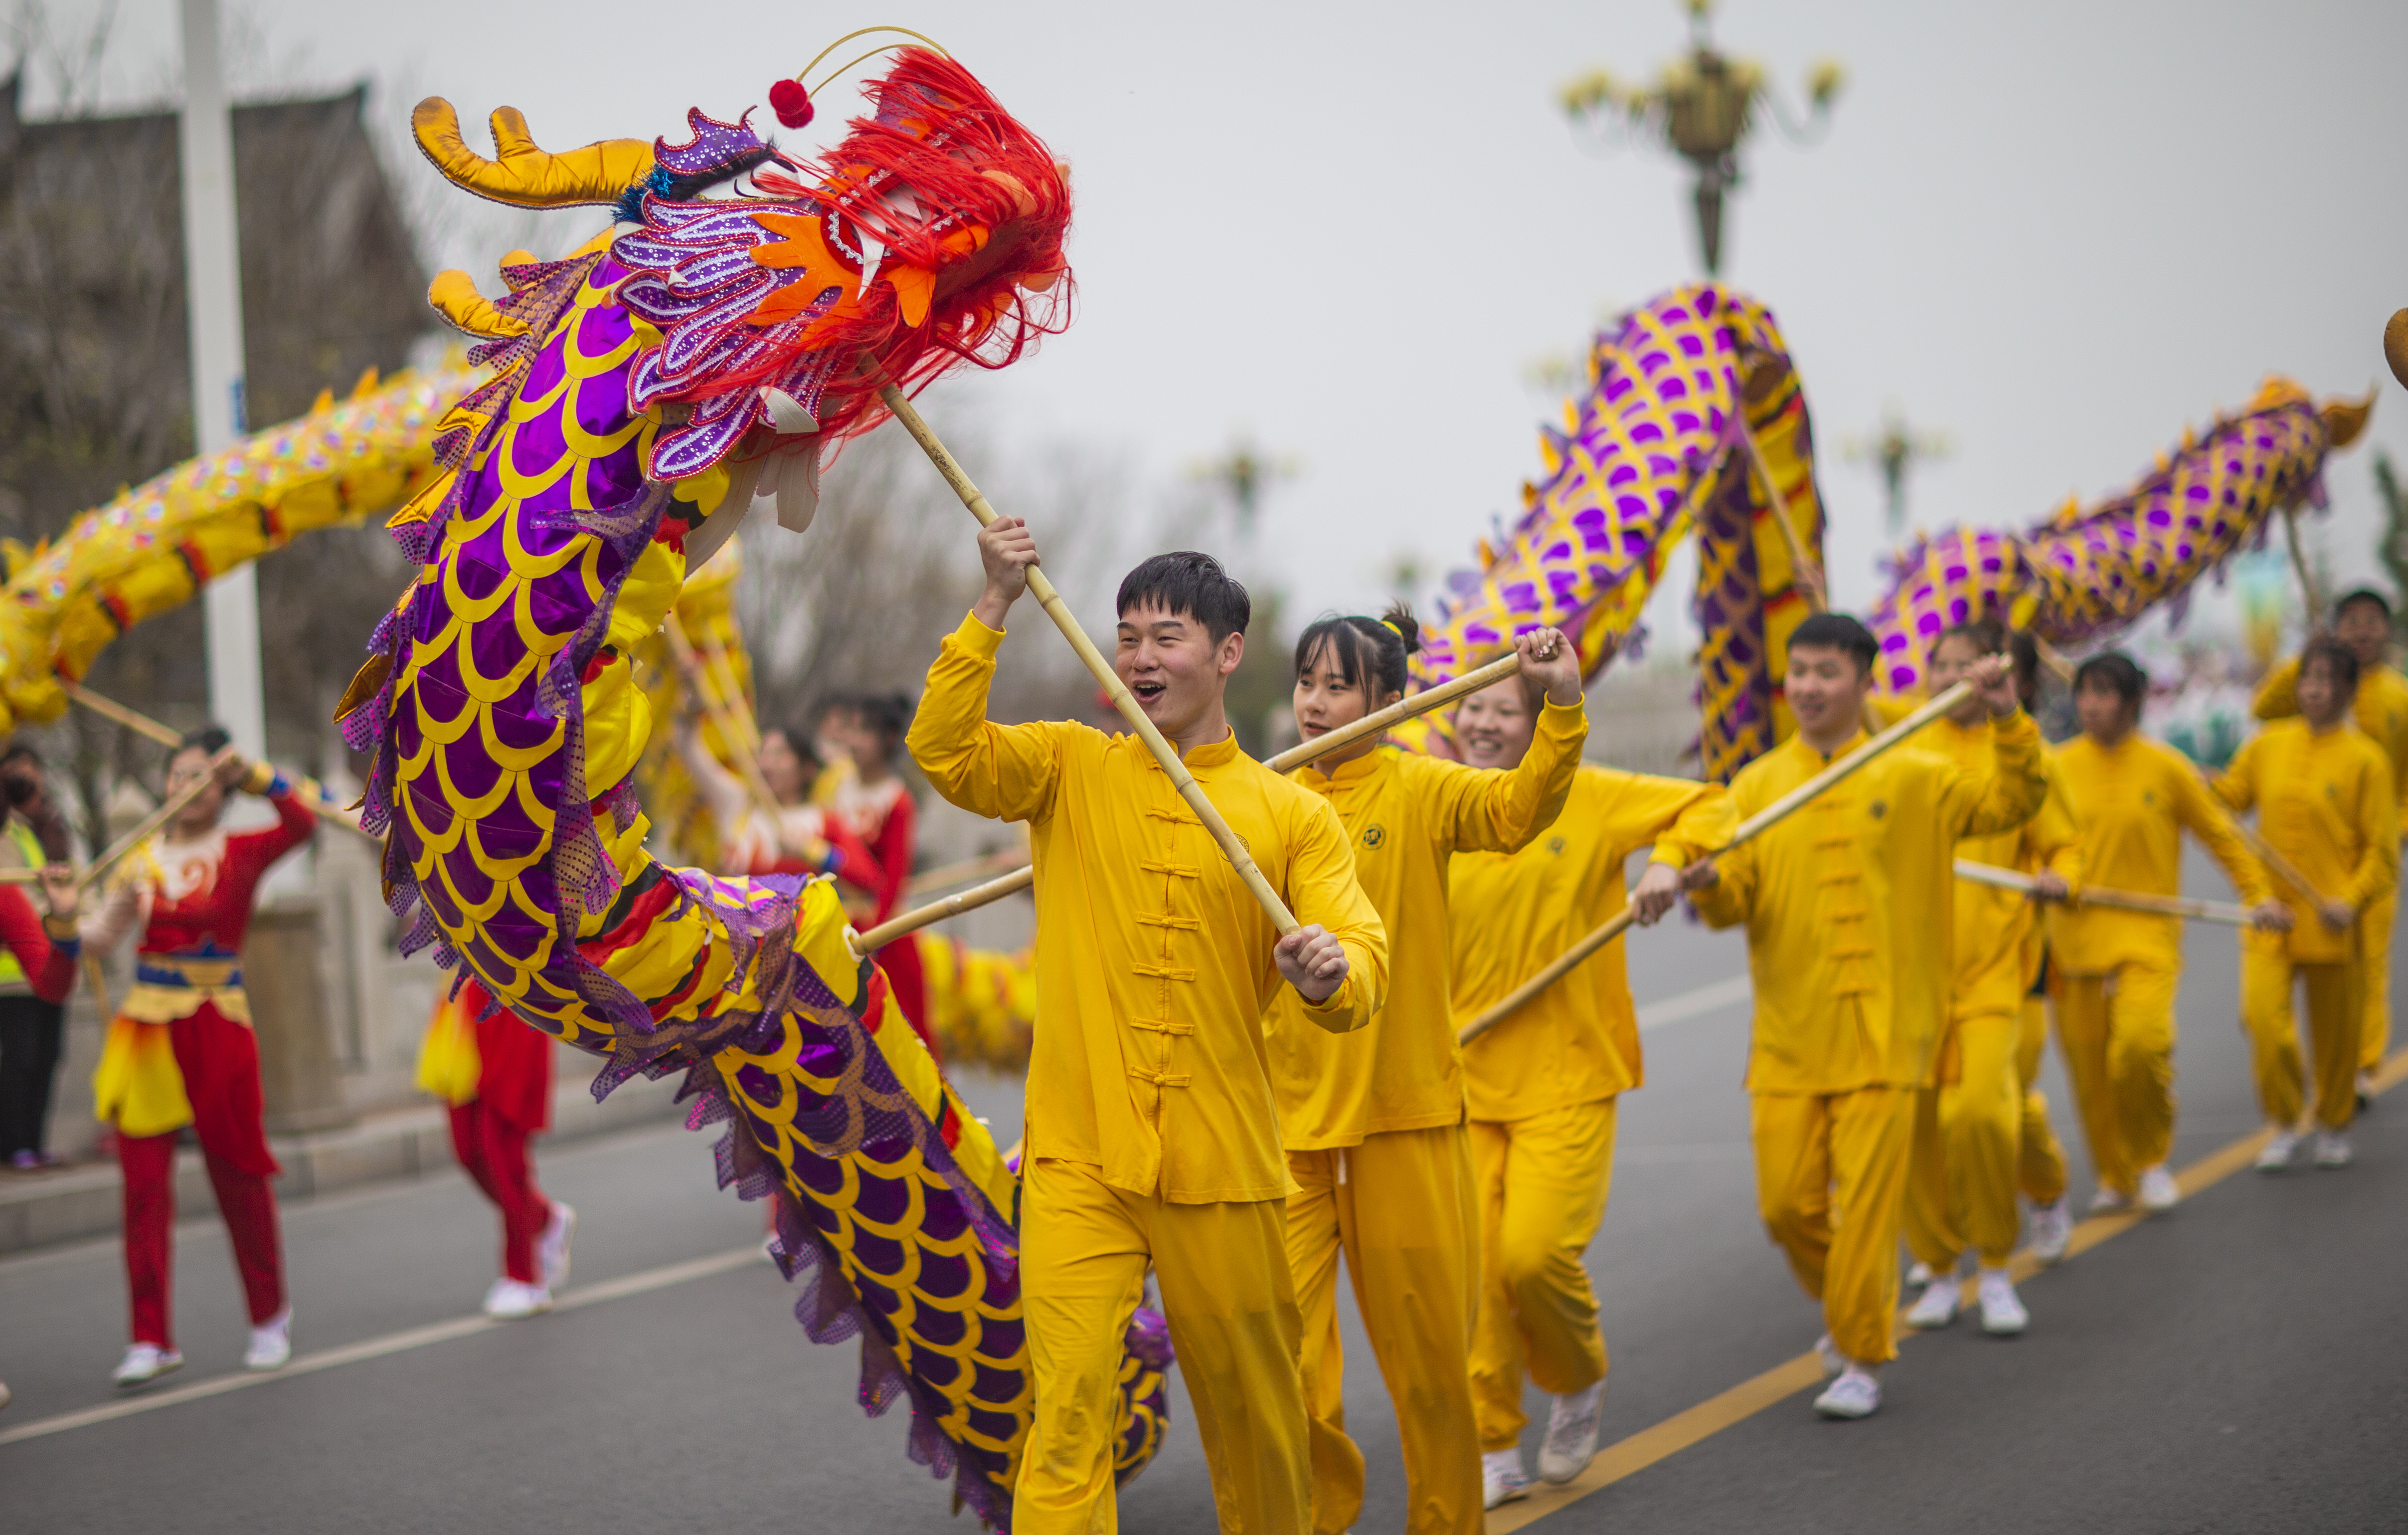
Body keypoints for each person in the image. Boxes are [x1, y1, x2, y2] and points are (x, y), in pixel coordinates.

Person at [910, 528, 1387, 1535]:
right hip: (1080, 1162)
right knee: (1068, 1416)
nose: (1139, 656)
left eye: (1166, 635)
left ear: (1226, 653)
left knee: (1257, 1421)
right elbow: (946, 752)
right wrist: (993, 603)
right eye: (1126, 635)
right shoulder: (1069, 768)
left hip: (1226, 1164)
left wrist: (1327, 974)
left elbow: (1357, 960)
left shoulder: (1291, 816)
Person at [1267, 606, 1587, 1535]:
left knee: (1430, 1374)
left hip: (1403, 1121)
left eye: (1340, 686)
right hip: (1286, 1131)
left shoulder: (1423, 789)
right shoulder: (1262, 796)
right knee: (1281, 1368)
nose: (1317, 704)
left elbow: (1518, 808)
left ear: (1394, 702)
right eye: (1308, 682)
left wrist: (1559, 706)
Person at [1689, 612, 2043, 1421]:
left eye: (1826, 671)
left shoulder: (1916, 771)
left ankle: (1859, 1351)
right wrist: (1709, 881)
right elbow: (1732, 904)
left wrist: (2007, 716)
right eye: (1798, 671)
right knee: (1787, 1208)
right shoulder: (1756, 788)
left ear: (1864, 680)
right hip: (1789, 1037)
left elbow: (2014, 799)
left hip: (1890, 1034)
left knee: (1869, 1207)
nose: (1808, 687)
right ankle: (1853, 1303)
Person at [1448, 641, 1731, 1506]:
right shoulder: (1437, 802)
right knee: (1474, 1274)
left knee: (1533, 1259)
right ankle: (1493, 1438)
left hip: (1566, 1073)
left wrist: (1663, 865)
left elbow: (1711, 805)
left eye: (1506, 709)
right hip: (1457, 1079)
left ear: (1539, 719)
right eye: (1475, 708)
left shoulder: (1589, 793)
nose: (1486, 722)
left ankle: (1578, 1374)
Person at [85, 728, 317, 1386]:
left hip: (217, 1024)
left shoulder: (241, 850)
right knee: (142, 1188)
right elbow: (102, 939)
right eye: (178, 775)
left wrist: (258, 776)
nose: (187, 787)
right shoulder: (139, 859)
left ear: (220, 791)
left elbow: (300, 822)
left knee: (237, 1173)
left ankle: (269, 1316)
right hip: (145, 1032)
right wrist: (63, 920)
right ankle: (149, 1336)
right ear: (163, 784)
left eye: (203, 778)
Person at [2047, 653, 2285, 1217]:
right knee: (2089, 1074)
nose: (2091, 705)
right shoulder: (2052, 768)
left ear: (2134, 703)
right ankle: (2116, 1174)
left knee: (2140, 1048)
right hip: (2073, 946)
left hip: (2146, 940)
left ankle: (2150, 1159)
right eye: (2084, 693)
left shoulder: (2166, 767)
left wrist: (2260, 895)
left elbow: (2223, 836)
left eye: (2105, 694)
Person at [1899, 619, 2083, 1338]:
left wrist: (2060, 877)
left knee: (1979, 1113)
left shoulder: (2024, 750)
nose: (1951, 679)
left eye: (1965, 666)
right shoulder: (1903, 746)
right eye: (1938, 665)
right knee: (1921, 1129)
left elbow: (2061, 841)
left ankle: (2000, 1263)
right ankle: (1942, 1268)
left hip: (1994, 972)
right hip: (1913, 979)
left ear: (1995, 674)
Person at [2218, 639, 2398, 1169]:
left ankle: (2335, 1121)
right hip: (2272, 916)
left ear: (2347, 690)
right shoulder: (2267, 744)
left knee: (2336, 1039)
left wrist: (2351, 900)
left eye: (2325, 681)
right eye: (2307, 680)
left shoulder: (2368, 760)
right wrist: (2204, 786)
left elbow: (2383, 856)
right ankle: (2284, 1118)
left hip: (2333, 922)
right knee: (2262, 1022)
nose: (2314, 690)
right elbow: (2231, 797)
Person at [2253, 587, 2408, 1098]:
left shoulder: (2399, 699)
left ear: (2387, 630)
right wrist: (2308, 661)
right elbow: (2265, 707)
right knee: (2303, 975)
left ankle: (2361, 1067)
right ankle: (2307, 1074)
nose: (2362, 630)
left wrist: (2395, 831)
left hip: (2370, 859)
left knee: (2370, 965)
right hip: (2311, 864)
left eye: (2372, 620)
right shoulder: (2309, 685)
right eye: (2351, 621)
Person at [416, 975, 576, 1317]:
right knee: (468, 1150)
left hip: (514, 993)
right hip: (465, 993)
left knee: (501, 1149)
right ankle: (545, 1219)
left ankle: (525, 1277)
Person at [822, 693, 929, 1043]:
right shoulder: (834, 789)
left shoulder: (898, 801)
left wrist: (870, 943)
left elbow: (893, 881)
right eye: (852, 730)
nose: (853, 741)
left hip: (881, 935)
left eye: (864, 731)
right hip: (830, 923)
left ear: (887, 740)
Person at [0, 745, 76, 1170]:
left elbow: (54, 982)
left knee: (39, 1057)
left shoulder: (33, 833)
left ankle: (26, 1142)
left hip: (25, 969)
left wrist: (65, 926)